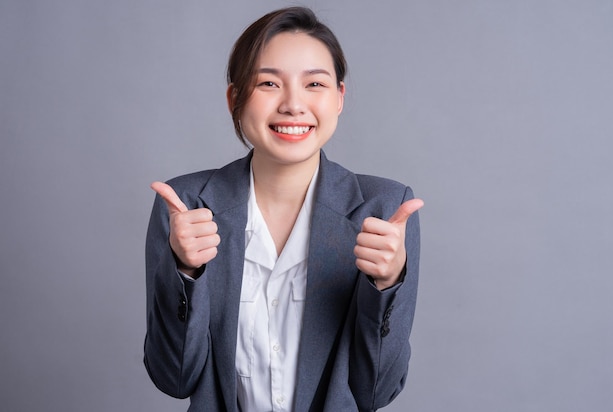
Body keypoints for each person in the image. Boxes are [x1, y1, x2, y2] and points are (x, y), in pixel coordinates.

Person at [144, 6, 423, 412]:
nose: (294, 104)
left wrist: (387, 284)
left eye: (314, 83)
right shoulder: (186, 206)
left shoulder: (384, 212)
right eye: (269, 83)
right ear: (235, 99)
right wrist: (185, 272)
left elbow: (374, 393)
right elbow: (174, 378)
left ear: (340, 98)